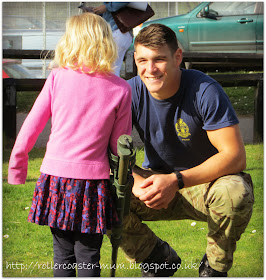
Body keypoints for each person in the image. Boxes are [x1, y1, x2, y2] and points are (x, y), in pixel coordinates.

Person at [118, 24, 254, 277]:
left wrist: (177, 180)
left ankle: (214, 267)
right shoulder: (129, 92)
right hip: (154, 184)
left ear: (177, 57)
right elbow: (104, 150)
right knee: (96, 192)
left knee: (235, 192)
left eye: (159, 59)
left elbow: (235, 155)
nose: (150, 69)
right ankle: (156, 258)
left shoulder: (205, 90)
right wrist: (135, 181)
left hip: (205, 185)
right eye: (142, 61)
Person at [8, 13, 132, 277]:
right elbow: (119, 147)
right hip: (92, 185)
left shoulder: (57, 78)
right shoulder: (121, 89)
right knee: (88, 255)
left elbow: (31, 126)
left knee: (62, 252)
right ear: (106, 42)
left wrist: (17, 169)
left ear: (70, 41)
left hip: (56, 180)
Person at [92, 2, 133, 76]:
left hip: (118, 31)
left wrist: (106, 7)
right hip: (118, 31)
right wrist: (98, 11)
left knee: (110, 69)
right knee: (112, 68)